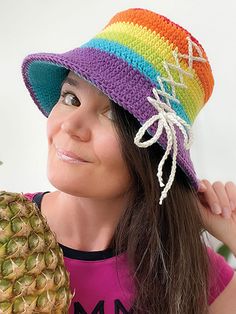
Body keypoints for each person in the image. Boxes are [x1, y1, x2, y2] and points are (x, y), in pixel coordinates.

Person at [21, 8, 236, 314]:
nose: (70, 125)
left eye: (110, 114)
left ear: (153, 152)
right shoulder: (8, 230)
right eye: (71, 98)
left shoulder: (188, 270)